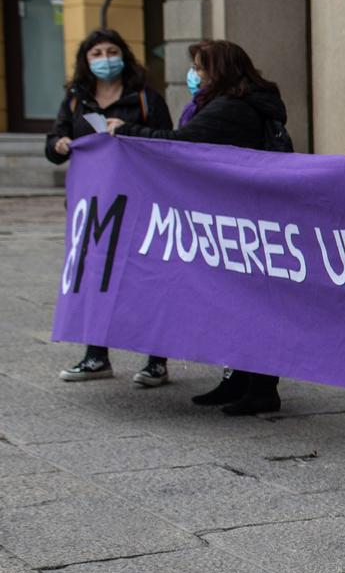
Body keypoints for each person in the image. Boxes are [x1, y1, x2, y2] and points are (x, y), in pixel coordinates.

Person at [118, 40, 293, 415]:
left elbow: (180, 144)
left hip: (243, 219)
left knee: (247, 305)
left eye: (200, 68)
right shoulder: (226, 103)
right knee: (236, 303)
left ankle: (261, 388)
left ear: (221, 72)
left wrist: (127, 131)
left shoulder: (231, 108)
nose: (194, 75)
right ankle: (239, 379)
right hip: (236, 216)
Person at [44, 29, 173, 387]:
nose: (104, 59)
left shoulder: (146, 99)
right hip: (93, 208)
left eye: (111, 51)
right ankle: (96, 356)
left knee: (145, 277)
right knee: (96, 276)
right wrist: (60, 144)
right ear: (86, 61)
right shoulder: (76, 100)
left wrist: (128, 129)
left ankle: (156, 360)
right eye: (96, 53)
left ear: (124, 56)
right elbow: (53, 141)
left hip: (139, 203)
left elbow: (169, 146)